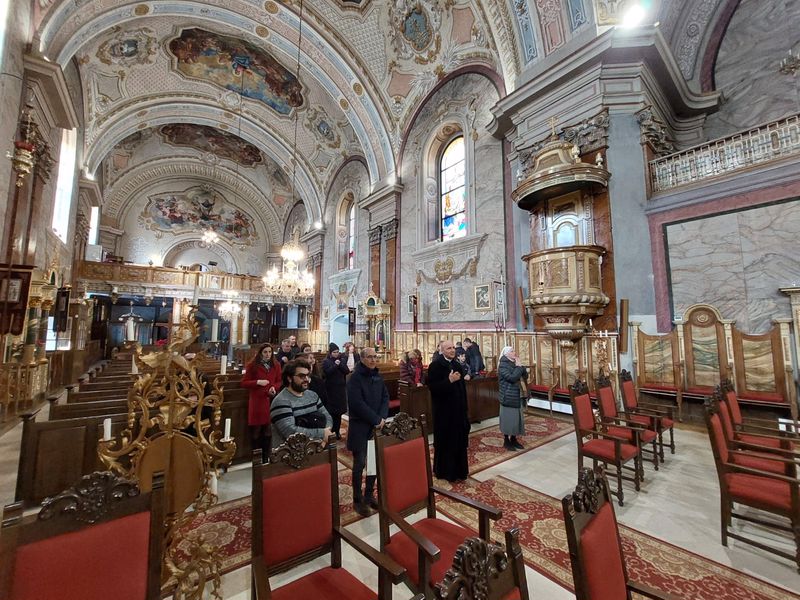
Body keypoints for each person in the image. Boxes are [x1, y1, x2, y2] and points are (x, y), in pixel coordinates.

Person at [346, 348, 388, 516]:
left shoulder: (377, 376)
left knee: (373, 464)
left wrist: (382, 417)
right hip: (360, 426)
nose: (373, 360)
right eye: (370, 357)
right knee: (359, 464)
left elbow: (385, 397)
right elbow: (356, 403)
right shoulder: (355, 378)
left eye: (375, 357)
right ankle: (357, 500)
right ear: (362, 359)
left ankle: (369, 495)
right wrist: (376, 419)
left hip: (375, 427)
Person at [426, 340, 471, 482]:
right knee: (446, 443)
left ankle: (460, 471)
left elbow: (462, 389)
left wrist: (465, 408)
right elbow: (433, 388)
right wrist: (449, 381)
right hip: (444, 413)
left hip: (458, 411)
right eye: (448, 348)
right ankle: (445, 472)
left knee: (459, 442)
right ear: (442, 350)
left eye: (453, 348)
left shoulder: (457, 365)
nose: (452, 350)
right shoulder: (435, 366)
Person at [270, 359, 333, 449]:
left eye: (307, 375)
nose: (306, 379)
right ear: (289, 378)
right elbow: (289, 431)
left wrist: (325, 434)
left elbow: (327, 416)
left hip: (317, 449)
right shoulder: (281, 401)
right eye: (302, 376)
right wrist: (322, 434)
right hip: (290, 453)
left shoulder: (312, 395)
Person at [241, 344, 282, 459]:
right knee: (256, 430)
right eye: (265, 352)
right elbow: (244, 383)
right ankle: (256, 457)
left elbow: (279, 381)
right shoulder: (253, 365)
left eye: (270, 352)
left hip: (270, 400)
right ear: (260, 353)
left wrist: (274, 387)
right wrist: (257, 382)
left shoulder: (276, 365)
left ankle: (266, 457)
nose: (268, 354)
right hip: (257, 401)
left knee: (268, 430)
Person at [497, 346, 527, 451]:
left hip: (517, 394)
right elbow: (512, 378)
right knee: (508, 419)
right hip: (508, 395)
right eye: (512, 351)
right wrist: (519, 367)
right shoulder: (503, 365)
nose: (514, 352)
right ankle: (506, 440)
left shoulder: (515, 363)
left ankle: (514, 439)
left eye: (514, 350)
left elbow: (525, 376)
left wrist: (520, 366)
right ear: (506, 354)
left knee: (517, 419)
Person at [322, 343, 349, 439]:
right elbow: (327, 373)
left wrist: (340, 364)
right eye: (334, 352)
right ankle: (331, 431)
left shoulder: (341, 360)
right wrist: (335, 365)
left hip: (340, 390)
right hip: (331, 390)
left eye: (337, 352)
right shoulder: (326, 361)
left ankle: (337, 431)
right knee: (332, 412)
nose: (336, 354)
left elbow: (346, 371)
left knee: (339, 413)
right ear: (330, 353)